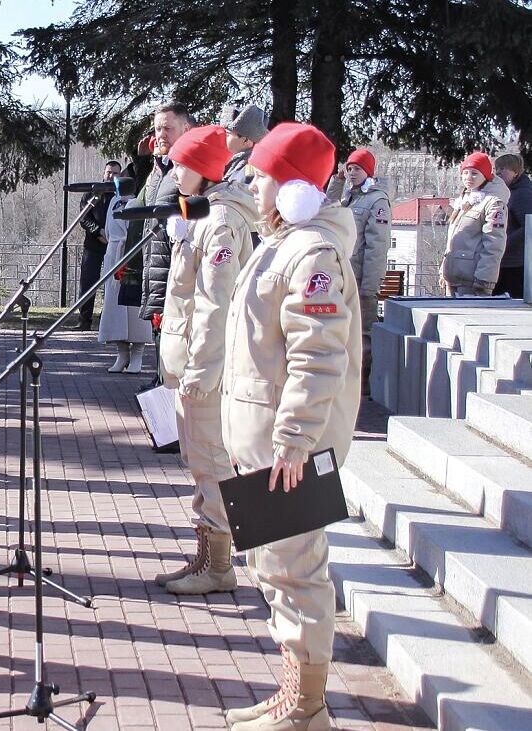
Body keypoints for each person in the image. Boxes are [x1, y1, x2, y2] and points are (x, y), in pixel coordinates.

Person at [221, 122, 360, 731]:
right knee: (275, 569)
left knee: (297, 571)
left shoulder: (312, 253)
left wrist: (295, 439)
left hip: (288, 448)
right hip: (266, 443)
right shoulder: (281, 243)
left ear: (293, 187)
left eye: (261, 176)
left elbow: (318, 355)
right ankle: (295, 694)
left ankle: (306, 706)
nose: (251, 184)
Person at [156, 125, 257, 595]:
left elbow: (215, 305)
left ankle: (218, 565)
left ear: (201, 168)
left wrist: (200, 369)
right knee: (200, 460)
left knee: (212, 461)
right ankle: (207, 555)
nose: (174, 172)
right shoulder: (201, 214)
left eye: (181, 164)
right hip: (190, 359)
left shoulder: (220, 222)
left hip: (206, 367)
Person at [131, 103, 193, 382]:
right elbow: (143, 202)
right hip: (153, 258)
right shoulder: (160, 168)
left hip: (175, 260)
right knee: (158, 323)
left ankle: (168, 382)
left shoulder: (189, 169)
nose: (161, 134)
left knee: (173, 327)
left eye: (168, 128)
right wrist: (149, 163)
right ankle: (160, 379)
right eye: (157, 128)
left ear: (186, 129)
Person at [326, 148, 391, 380]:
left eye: (358, 169)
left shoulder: (377, 200)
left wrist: (370, 285)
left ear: (369, 172)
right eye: (350, 168)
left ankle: (364, 381)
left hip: (361, 278)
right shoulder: (348, 196)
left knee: (364, 333)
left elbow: (377, 246)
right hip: (342, 275)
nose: (353, 173)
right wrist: (338, 180)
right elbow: (327, 208)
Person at [97, 185, 154, 372]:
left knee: (134, 308)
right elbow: (107, 228)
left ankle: (137, 353)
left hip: (132, 254)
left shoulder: (137, 203)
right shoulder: (113, 201)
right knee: (114, 308)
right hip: (113, 253)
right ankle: (121, 354)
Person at [442, 152, 510, 297]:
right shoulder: (463, 201)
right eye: (465, 173)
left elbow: (494, 244)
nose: (468, 178)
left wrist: (485, 280)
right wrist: (444, 269)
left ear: (485, 175)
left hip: (473, 280)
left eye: (474, 173)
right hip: (453, 278)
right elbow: (452, 240)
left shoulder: (493, 203)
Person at [75, 160, 124, 330]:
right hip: (93, 245)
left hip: (115, 246)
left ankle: (107, 321)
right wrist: (98, 232)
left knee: (113, 285)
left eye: (115, 173)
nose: (111, 176)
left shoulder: (122, 196)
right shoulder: (92, 192)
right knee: (88, 282)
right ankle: (84, 321)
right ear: (104, 173)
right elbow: (83, 217)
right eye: (109, 172)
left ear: (120, 175)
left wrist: (111, 235)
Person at [494, 153, 531, 299]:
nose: (498, 173)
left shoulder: (523, 194)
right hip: (505, 261)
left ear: (515, 171)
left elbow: (528, 226)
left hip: (515, 263)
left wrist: (504, 242)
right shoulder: (508, 192)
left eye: (503, 169)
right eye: (496, 169)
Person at [220, 104, 268, 186]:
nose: (222, 138)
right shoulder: (235, 164)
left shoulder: (250, 172)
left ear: (246, 140)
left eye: (227, 134)